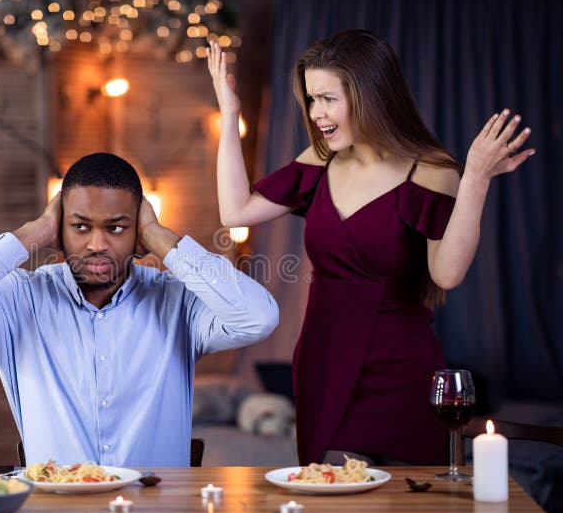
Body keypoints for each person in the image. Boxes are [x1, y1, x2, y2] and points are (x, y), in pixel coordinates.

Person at [207, 30, 534, 465]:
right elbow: (235, 210)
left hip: (401, 371)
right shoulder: (320, 161)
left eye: (328, 98)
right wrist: (230, 115)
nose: (317, 113)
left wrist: (475, 179)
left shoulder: (430, 171)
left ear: (370, 95)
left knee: (403, 505)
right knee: (330, 495)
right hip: (322, 364)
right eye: (311, 99)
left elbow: (447, 275)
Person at [0, 152, 278, 467]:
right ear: (59, 229)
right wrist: (32, 234)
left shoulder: (177, 301)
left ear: (138, 234)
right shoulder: (19, 302)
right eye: (80, 226)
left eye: (116, 228)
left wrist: (163, 240)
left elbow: (258, 317)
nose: (97, 244)